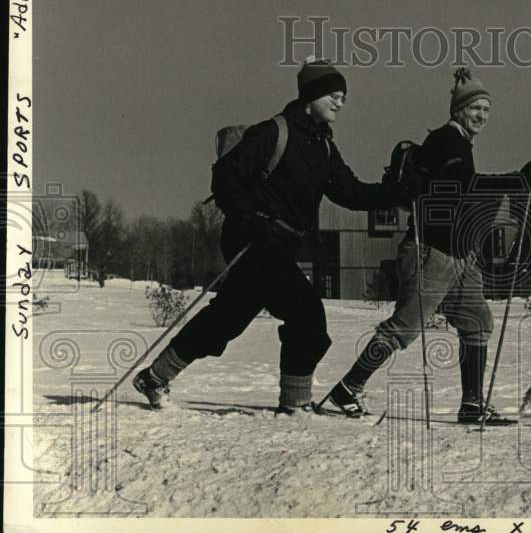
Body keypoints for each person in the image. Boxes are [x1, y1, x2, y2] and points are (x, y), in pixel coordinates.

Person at [132, 59, 404, 415]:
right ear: (312, 95)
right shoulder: (274, 133)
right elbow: (226, 175)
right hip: (252, 239)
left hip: (278, 245)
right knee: (307, 315)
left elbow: (349, 192)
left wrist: (396, 193)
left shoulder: (322, 145)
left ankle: (154, 377)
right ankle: (295, 405)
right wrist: (249, 217)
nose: (340, 103)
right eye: (334, 95)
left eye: (343, 97)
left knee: (227, 318)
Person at [324, 67, 531, 425]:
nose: (482, 116)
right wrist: (517, 180)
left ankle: (472, 405)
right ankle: (348, 387)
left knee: (476, 320)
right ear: (458, 110)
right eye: (476, 108)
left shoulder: (457, 143)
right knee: (405, 328)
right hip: (433, 252)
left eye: (487, 111)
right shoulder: (447, 142)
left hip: (458, 253)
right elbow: (463, 188)